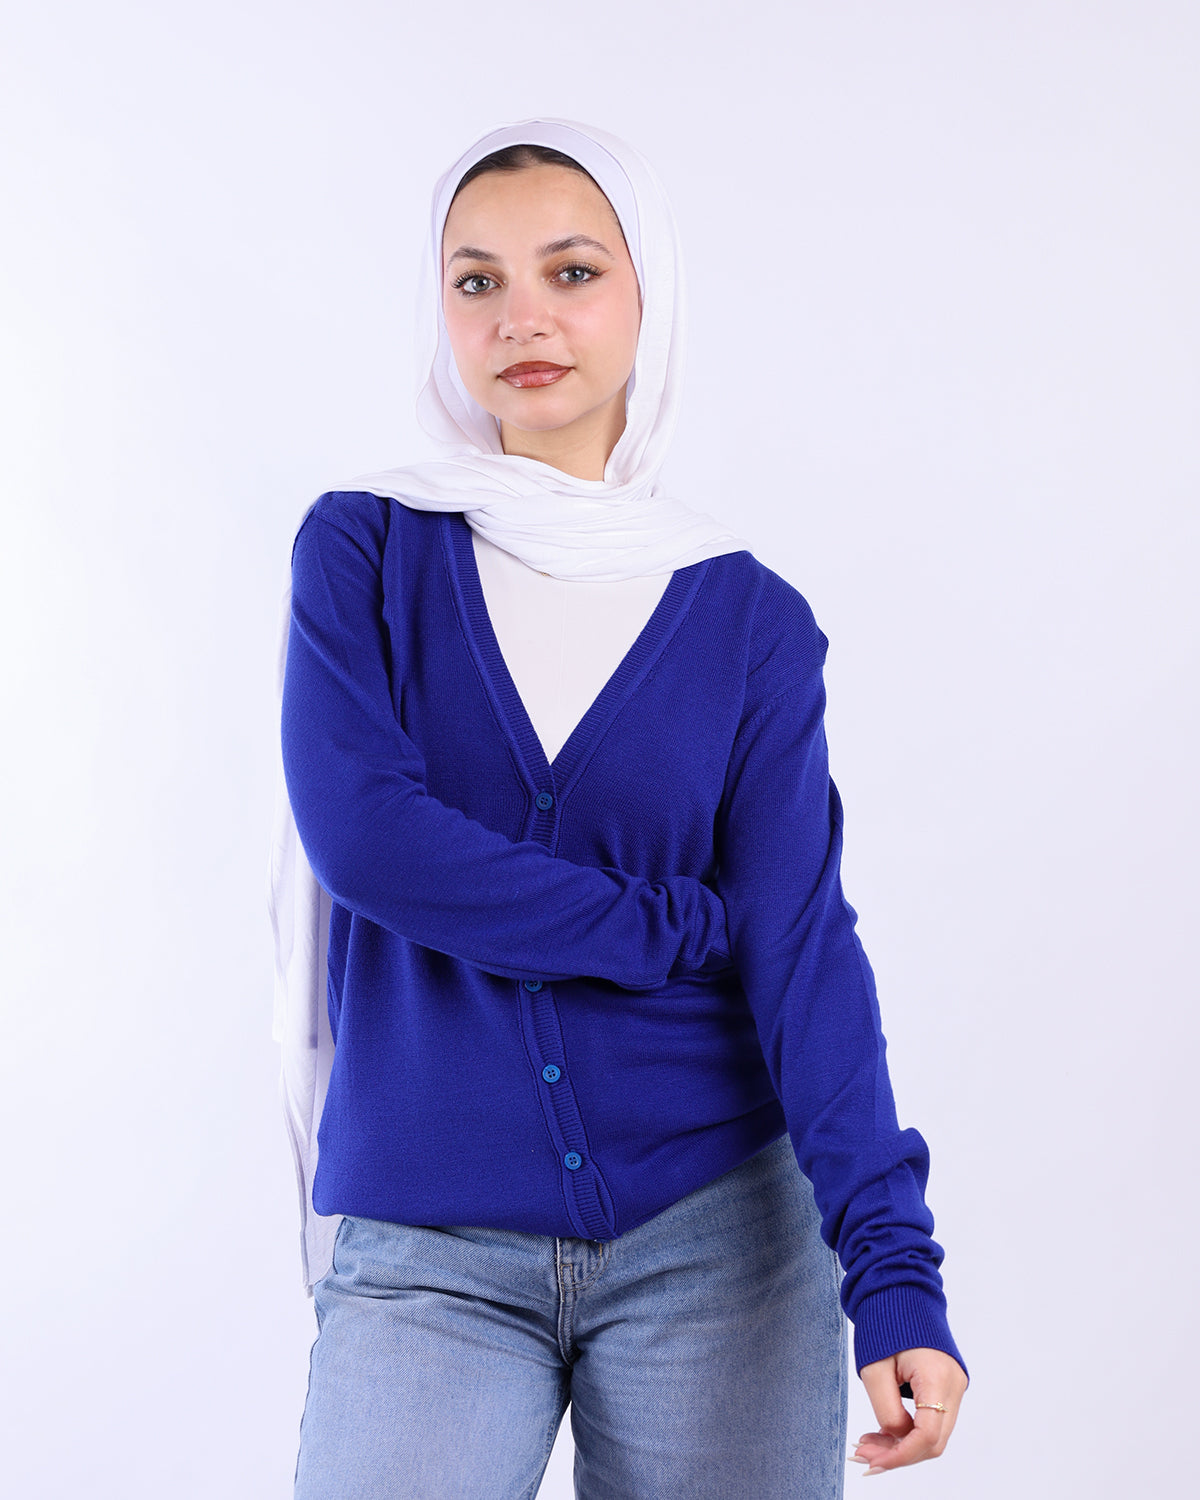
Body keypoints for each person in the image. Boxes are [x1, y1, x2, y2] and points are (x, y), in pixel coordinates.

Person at [270, 117, 968, 1500]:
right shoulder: (365, 545)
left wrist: (894, 1269)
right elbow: (367, 839)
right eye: (477, 281)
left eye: (572, 272)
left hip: (720, 1233)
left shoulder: (749, 614)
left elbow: (802, 947)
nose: (523, 316)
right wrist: (653, 930)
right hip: (429, 1241)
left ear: (649, 295)